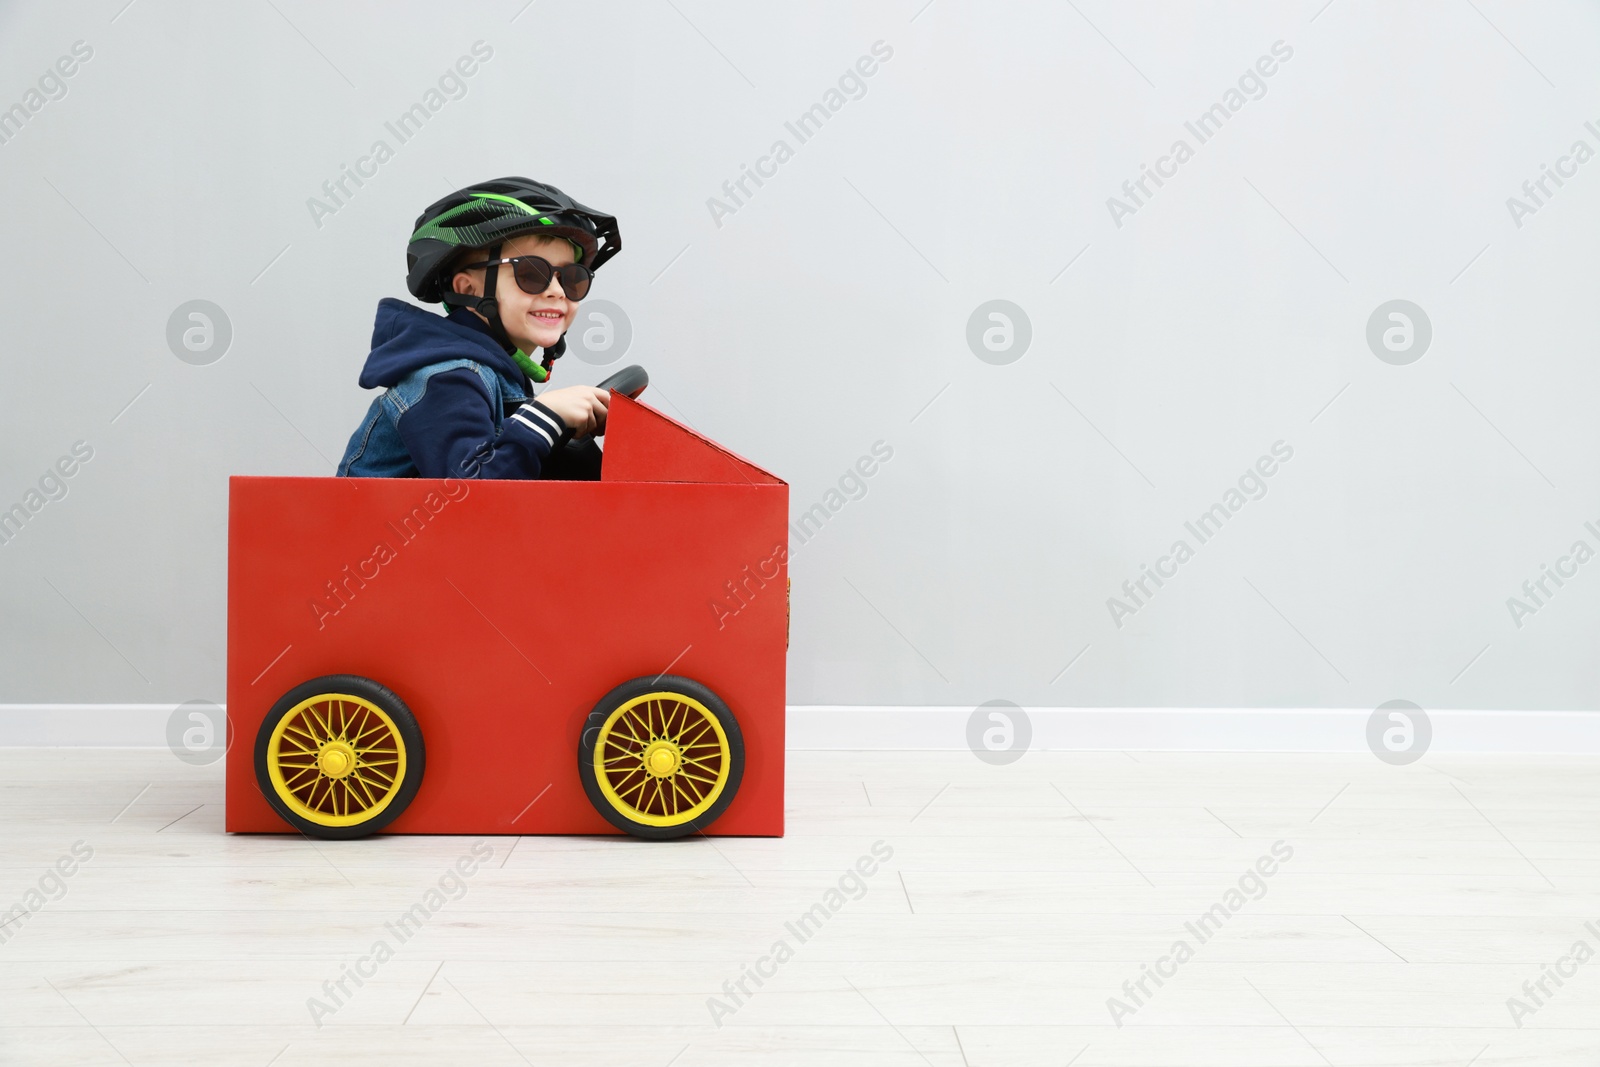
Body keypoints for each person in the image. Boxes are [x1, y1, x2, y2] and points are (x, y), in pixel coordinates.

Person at [337, 177, 621, 480]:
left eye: (572, 277)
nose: (556, 291)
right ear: (470, 289)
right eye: (532, 273)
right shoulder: (447, 377)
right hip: (374, 528)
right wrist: (544, 417)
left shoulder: (493, 378)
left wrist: (570, 440)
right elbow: (472, 497)